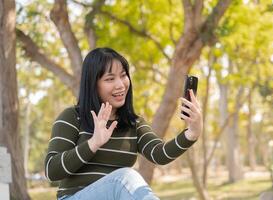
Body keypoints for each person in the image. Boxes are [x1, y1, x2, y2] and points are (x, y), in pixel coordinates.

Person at [44, 47, 203, 200]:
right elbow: (51, 171)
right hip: (74, 197)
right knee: (124, 178)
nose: (120, 84)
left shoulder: (133, 123)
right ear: (93, 84)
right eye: (110, 79)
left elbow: (159, 154)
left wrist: (192, 133)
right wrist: (93, 143)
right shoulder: (73, 117)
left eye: (123, 75)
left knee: (124, 179)